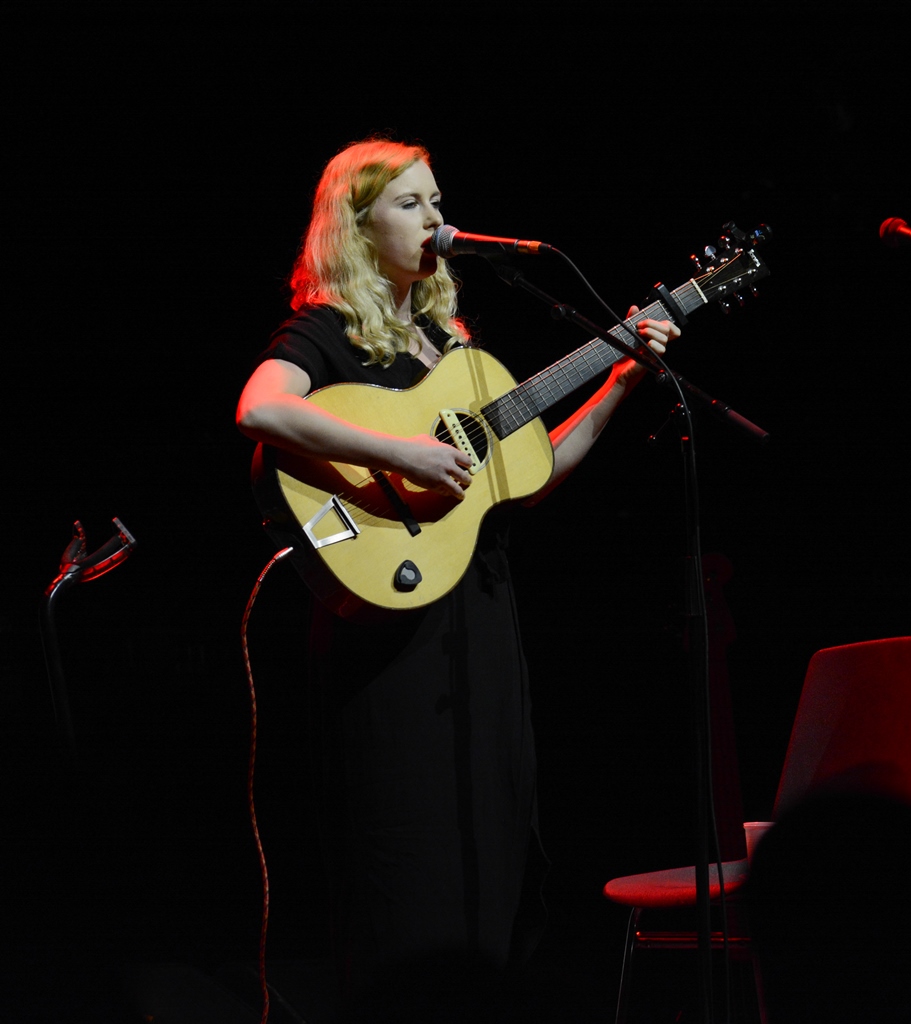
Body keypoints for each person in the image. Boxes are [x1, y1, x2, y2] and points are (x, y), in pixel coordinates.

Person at [235, 138, 679, 1016]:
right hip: (389, 635)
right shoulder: (325, 330)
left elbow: (533, 471)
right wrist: (399, 450)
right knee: (412, 857)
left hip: (479, 611)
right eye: (411, 204)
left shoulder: (455, 346)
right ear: (356, 227)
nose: (438, 219)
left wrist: (623, 372)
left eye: (438, 201)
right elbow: (261, 408)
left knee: (495, 840)